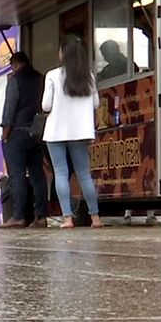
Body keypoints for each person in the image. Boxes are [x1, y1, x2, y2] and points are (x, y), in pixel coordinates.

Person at [42, 40, 102, 229]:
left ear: (63, 54)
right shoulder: (88, 77)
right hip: (80, 131)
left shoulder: (52, 75)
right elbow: (95, 104)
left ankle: (67, 219)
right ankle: (96, 218)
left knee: (61, 172)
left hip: (56, 131)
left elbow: (46, 106)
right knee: (84, 175)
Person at [0, 52, 48, 229]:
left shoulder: (15, 80)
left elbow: (9, 108)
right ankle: (41, 216)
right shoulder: (40, 79)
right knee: (38, 175)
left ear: (14, 65)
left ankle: (18, 216)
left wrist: (5, 134)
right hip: (36, 132)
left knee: (17, 175)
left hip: (17, 132)